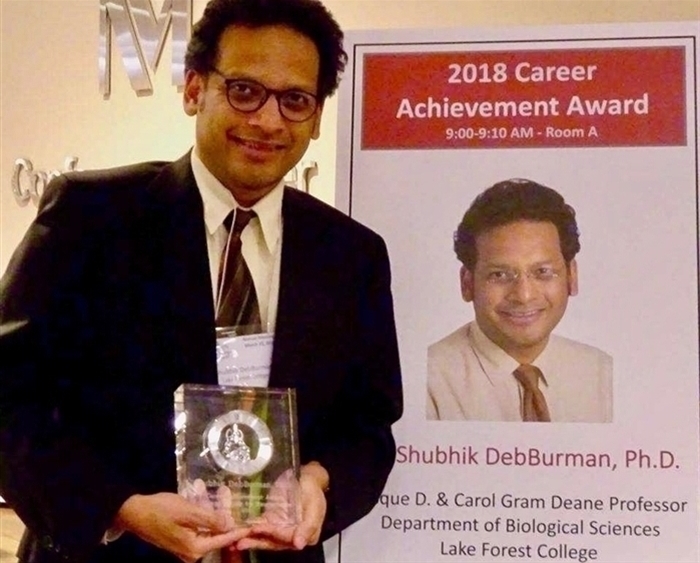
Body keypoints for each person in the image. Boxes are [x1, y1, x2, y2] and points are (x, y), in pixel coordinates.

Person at [0, 1, 403, 562]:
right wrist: (120, 506)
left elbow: (368, 424)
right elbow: (11, 397)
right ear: (194, 89)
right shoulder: (90, 218)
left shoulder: (350, 255)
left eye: (295, 100)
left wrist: (319, 481)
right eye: (244, 91)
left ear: (315, 117)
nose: (268, 120)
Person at [426, 178, 612, 423]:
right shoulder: (428, 380)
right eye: (500, 275)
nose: (524, 296)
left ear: (572, 276)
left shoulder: (602, 374)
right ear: (467, 283)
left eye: (543, 272)